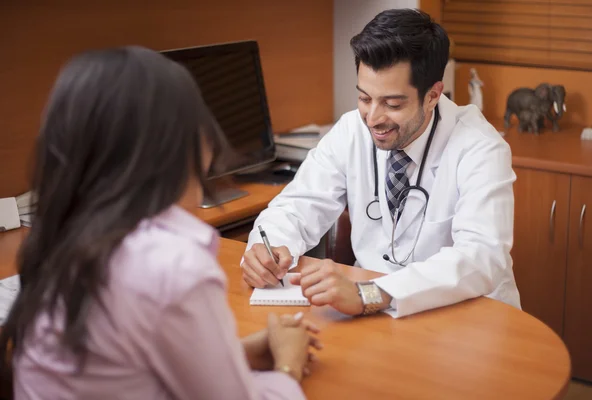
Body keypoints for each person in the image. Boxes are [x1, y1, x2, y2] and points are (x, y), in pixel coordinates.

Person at [0, 46, 322, 399]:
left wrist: (235, 355)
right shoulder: (172, 265)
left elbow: (118, 371)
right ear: (192, 142)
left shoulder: (58, 239)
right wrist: (287, 367)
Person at [241, 9, 521, 319]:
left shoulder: (480, 148)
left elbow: (481, 258)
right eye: (364, 98)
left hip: (466, 320)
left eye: (393, 104)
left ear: (432, 95)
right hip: (375, 318)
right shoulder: (351, 131)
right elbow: (296, 207)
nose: (373, 118)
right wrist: (268, 250)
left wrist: (370, 294)